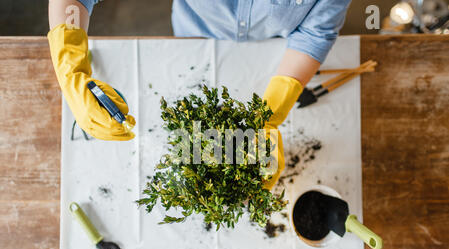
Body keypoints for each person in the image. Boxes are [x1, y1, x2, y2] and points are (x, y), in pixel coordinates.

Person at [48, 0, 351, 189]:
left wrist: (268, 114)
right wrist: (70, 68)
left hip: (272, 49)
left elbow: (314, 33)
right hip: (192, 33)